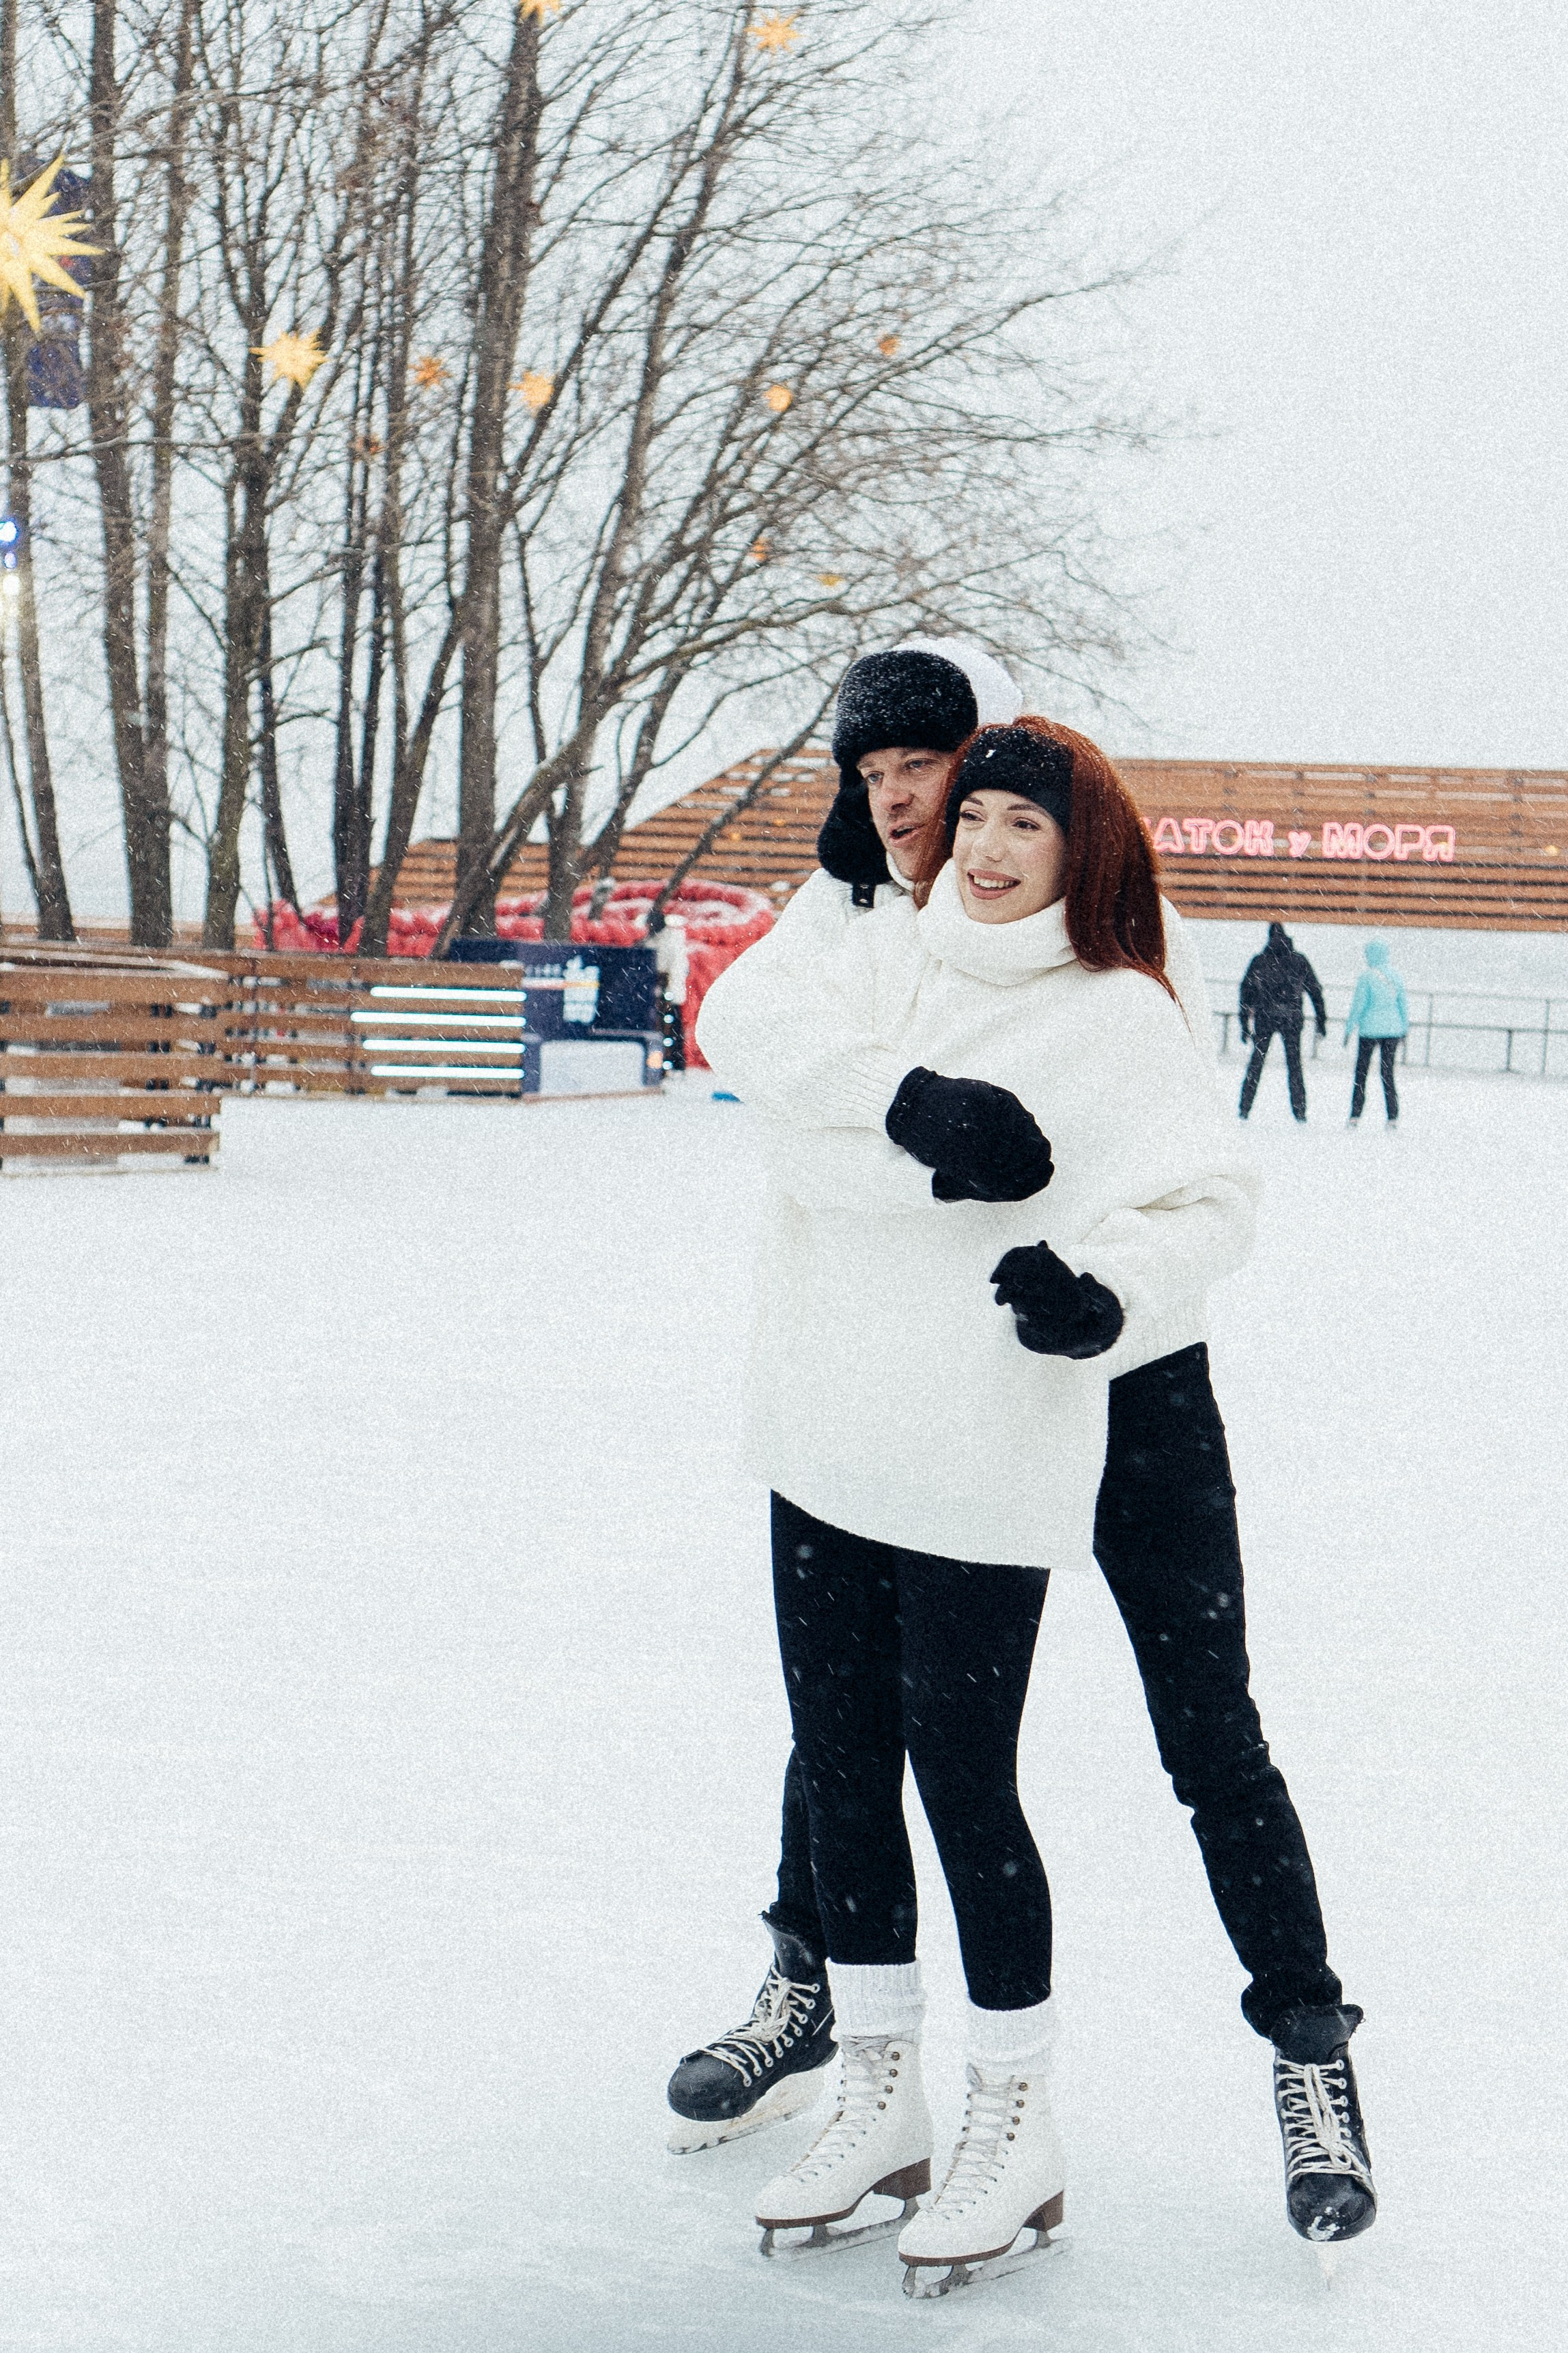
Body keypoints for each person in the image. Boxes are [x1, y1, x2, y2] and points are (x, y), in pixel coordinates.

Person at [696, 719, 1376, 2290]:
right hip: (902, 1390)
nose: (927, 815)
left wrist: (1105, 1292)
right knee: (846, 1730)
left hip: (1119, 1377)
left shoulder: (1119, 974)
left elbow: (1182, 1184)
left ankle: (1308, 2042)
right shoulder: (868, 916)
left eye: (956, 786)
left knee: (1197, 1731)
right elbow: (771, 1056)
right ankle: (834, 2013)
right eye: (891, 784)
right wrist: (918, 1127)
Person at [1237, 922, 1327, 1122]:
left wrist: (1244, 1024)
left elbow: (1246, 993)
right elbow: (1315, 991)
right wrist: (1321, 1020)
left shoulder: (1260, 961)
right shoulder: (1299, 961)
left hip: (1265, 1017)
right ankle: (1300, 1111)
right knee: (1295, 1065)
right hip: (1292, 1018)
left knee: (1256, 1064)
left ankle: (1245, 1108)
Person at [1344, 939, 1407, 1125]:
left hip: (1369, 1031)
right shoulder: (1396, 976)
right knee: (1388, 1073)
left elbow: (1359, 1006)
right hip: (1393, 1030)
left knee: (1361, 1072)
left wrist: (1349, 1028)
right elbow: (1403, 1004)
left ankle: (1356, 1114)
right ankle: (1392, 1116)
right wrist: (1404, 1029)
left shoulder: (1366, 977)